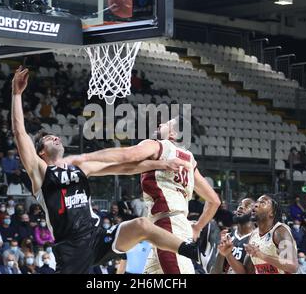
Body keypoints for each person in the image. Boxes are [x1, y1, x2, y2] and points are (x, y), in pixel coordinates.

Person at [11, 66, 205, 274]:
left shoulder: (80, 168)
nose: (56, 137)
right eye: (50, 138)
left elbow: (122, 167)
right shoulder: (40, 173)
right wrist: (16, 94)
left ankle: (191, 251)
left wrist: (160, 164)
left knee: (142, 225)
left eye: (56, 136)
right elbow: (20, 132)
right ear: (40, 152)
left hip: (96, 237)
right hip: (71, 246)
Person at [72, 114, 221, 274]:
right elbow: (214, 201)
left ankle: (204, 253)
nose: (159, 125)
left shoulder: (159, 145)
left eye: (165, 124)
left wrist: (84, 158)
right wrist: (197, 228)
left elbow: (126, 156)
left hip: (167, 225)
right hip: (170, 229)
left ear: (173, 134)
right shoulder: (189, 160)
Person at [218, 195, 298, 274]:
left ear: (272, 213)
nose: (256, 205)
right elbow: (246, 272)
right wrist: (228, 254)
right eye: (256, 202)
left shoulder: (280, 231)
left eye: (262, 202)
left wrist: (262, 255)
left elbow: (292, 266)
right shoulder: (254, 236)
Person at [216, 198, 255, 274]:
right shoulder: (228, 237)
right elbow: (216, 271)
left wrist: (228, 254)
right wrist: (221, 253)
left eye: (247, 206)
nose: (240, 207)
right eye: (240, 205)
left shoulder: (256, 239)